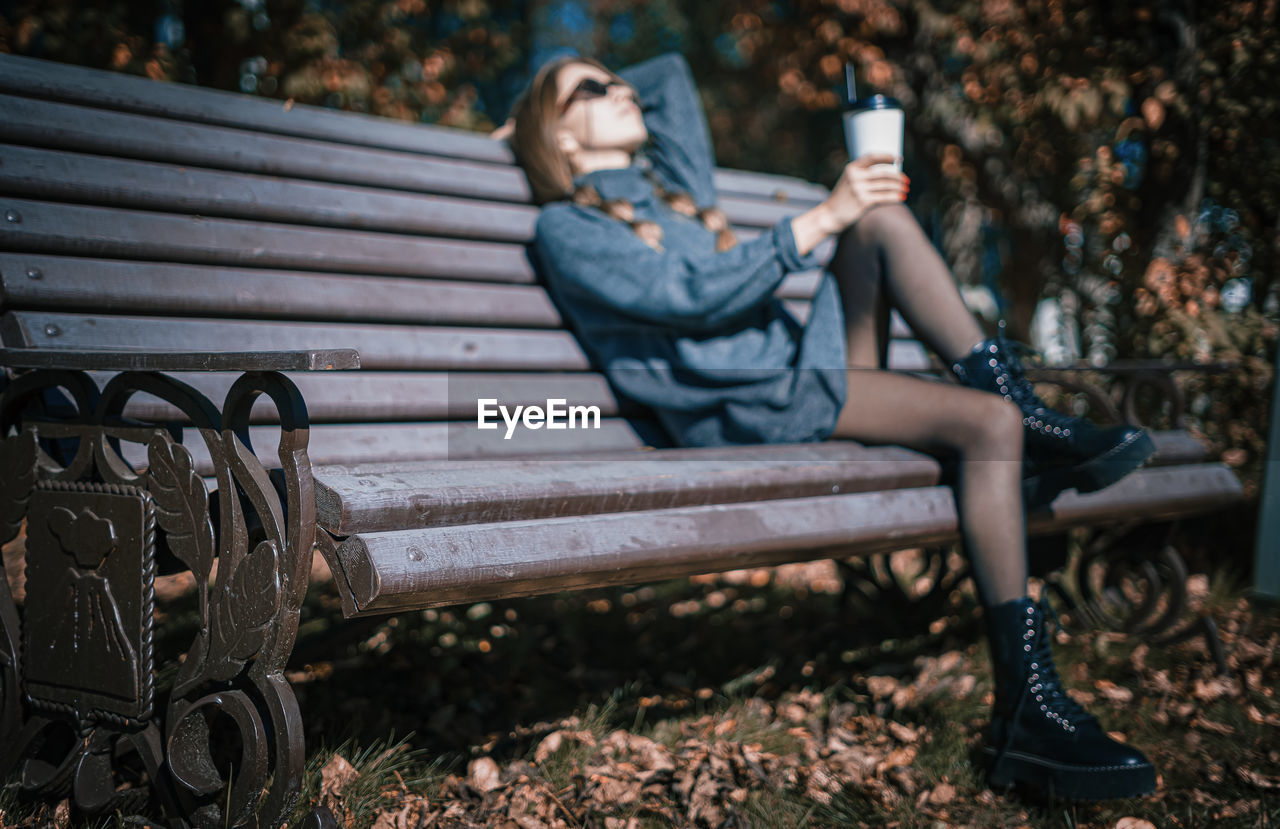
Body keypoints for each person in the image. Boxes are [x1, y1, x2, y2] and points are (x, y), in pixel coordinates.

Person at [492, 50, 1157, 801]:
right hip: (744, 408)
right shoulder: (567, 228)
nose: (619, 89)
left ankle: (1029, 437)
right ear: (563, 140)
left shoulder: (672, 192)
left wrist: (567, 94)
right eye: (592, 89)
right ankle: (1027, 706)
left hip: (796, 377)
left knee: (882, 217)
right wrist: (817, 219)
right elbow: (687, 297)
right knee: (987, 423)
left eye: (616, 80)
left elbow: (673, 73)